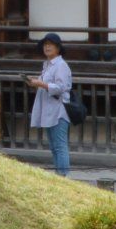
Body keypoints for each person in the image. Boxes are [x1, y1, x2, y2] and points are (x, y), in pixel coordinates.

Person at [29, 33, 74, 174]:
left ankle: (63, 177)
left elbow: (61, 87)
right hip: (49, 109)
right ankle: (58, 175)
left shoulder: (61, 65)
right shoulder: (47, 65)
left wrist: (41, 84)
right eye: (45, 44)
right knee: (54, 146)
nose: (47, 47)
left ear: (58, 48)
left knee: (60, 146)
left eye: (50, 44)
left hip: (59, 110)